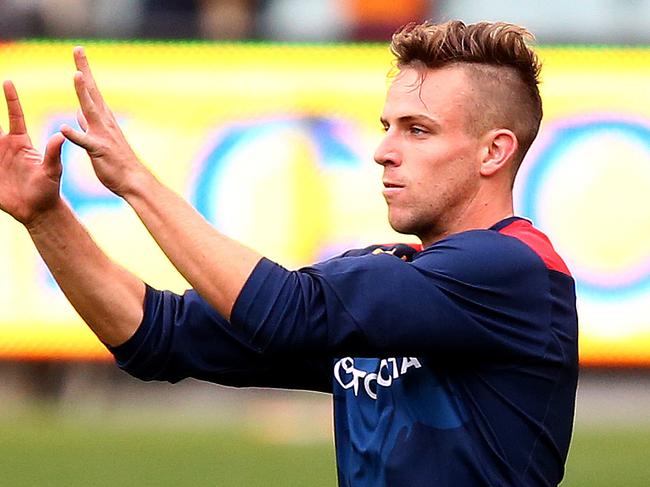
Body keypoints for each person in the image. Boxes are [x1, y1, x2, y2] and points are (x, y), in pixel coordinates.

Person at [0, 19, 578, 486]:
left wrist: (136, 182)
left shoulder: (514, 270)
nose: (382, 150)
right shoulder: (392, 272)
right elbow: (159, 336)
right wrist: (46, 217)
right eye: (386, 126)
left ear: (493, 152)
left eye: (417, 130)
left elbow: (287, 311)